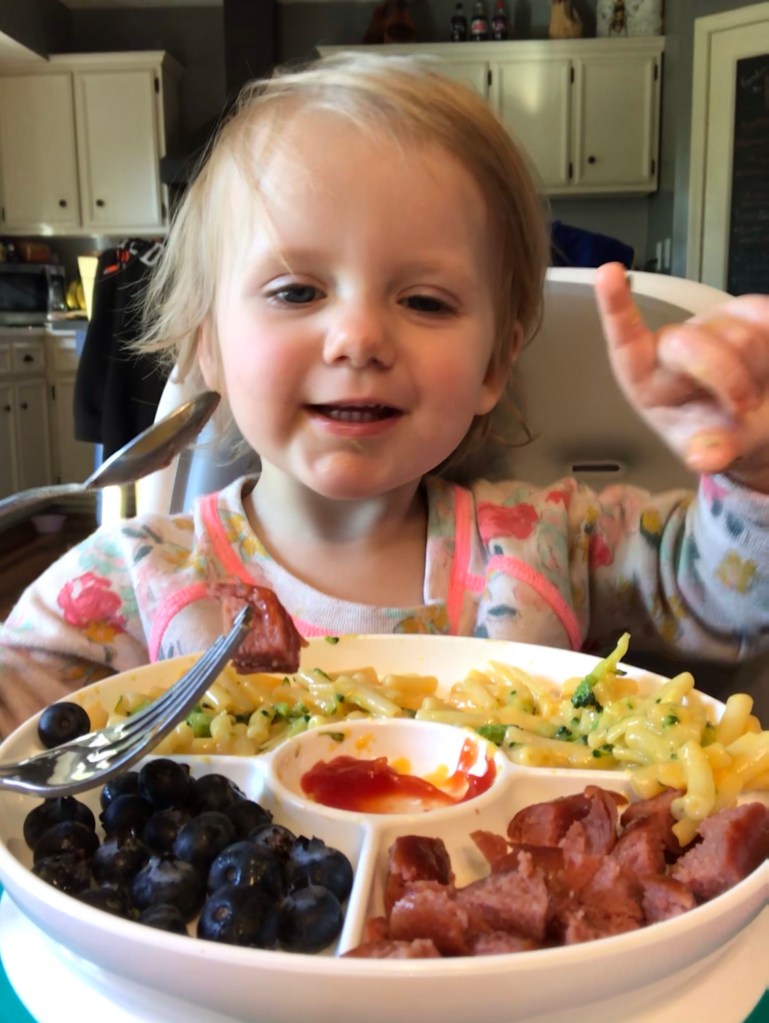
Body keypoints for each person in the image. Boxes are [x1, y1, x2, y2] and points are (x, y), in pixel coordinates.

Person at [0, 52, 768, 737]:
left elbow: (727, 601)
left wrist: (753, 468)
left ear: (493, 366)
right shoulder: (132, 578)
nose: (358, 338)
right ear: (210, 345)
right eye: (297, 291)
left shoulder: (547, 543)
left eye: (425, 301)